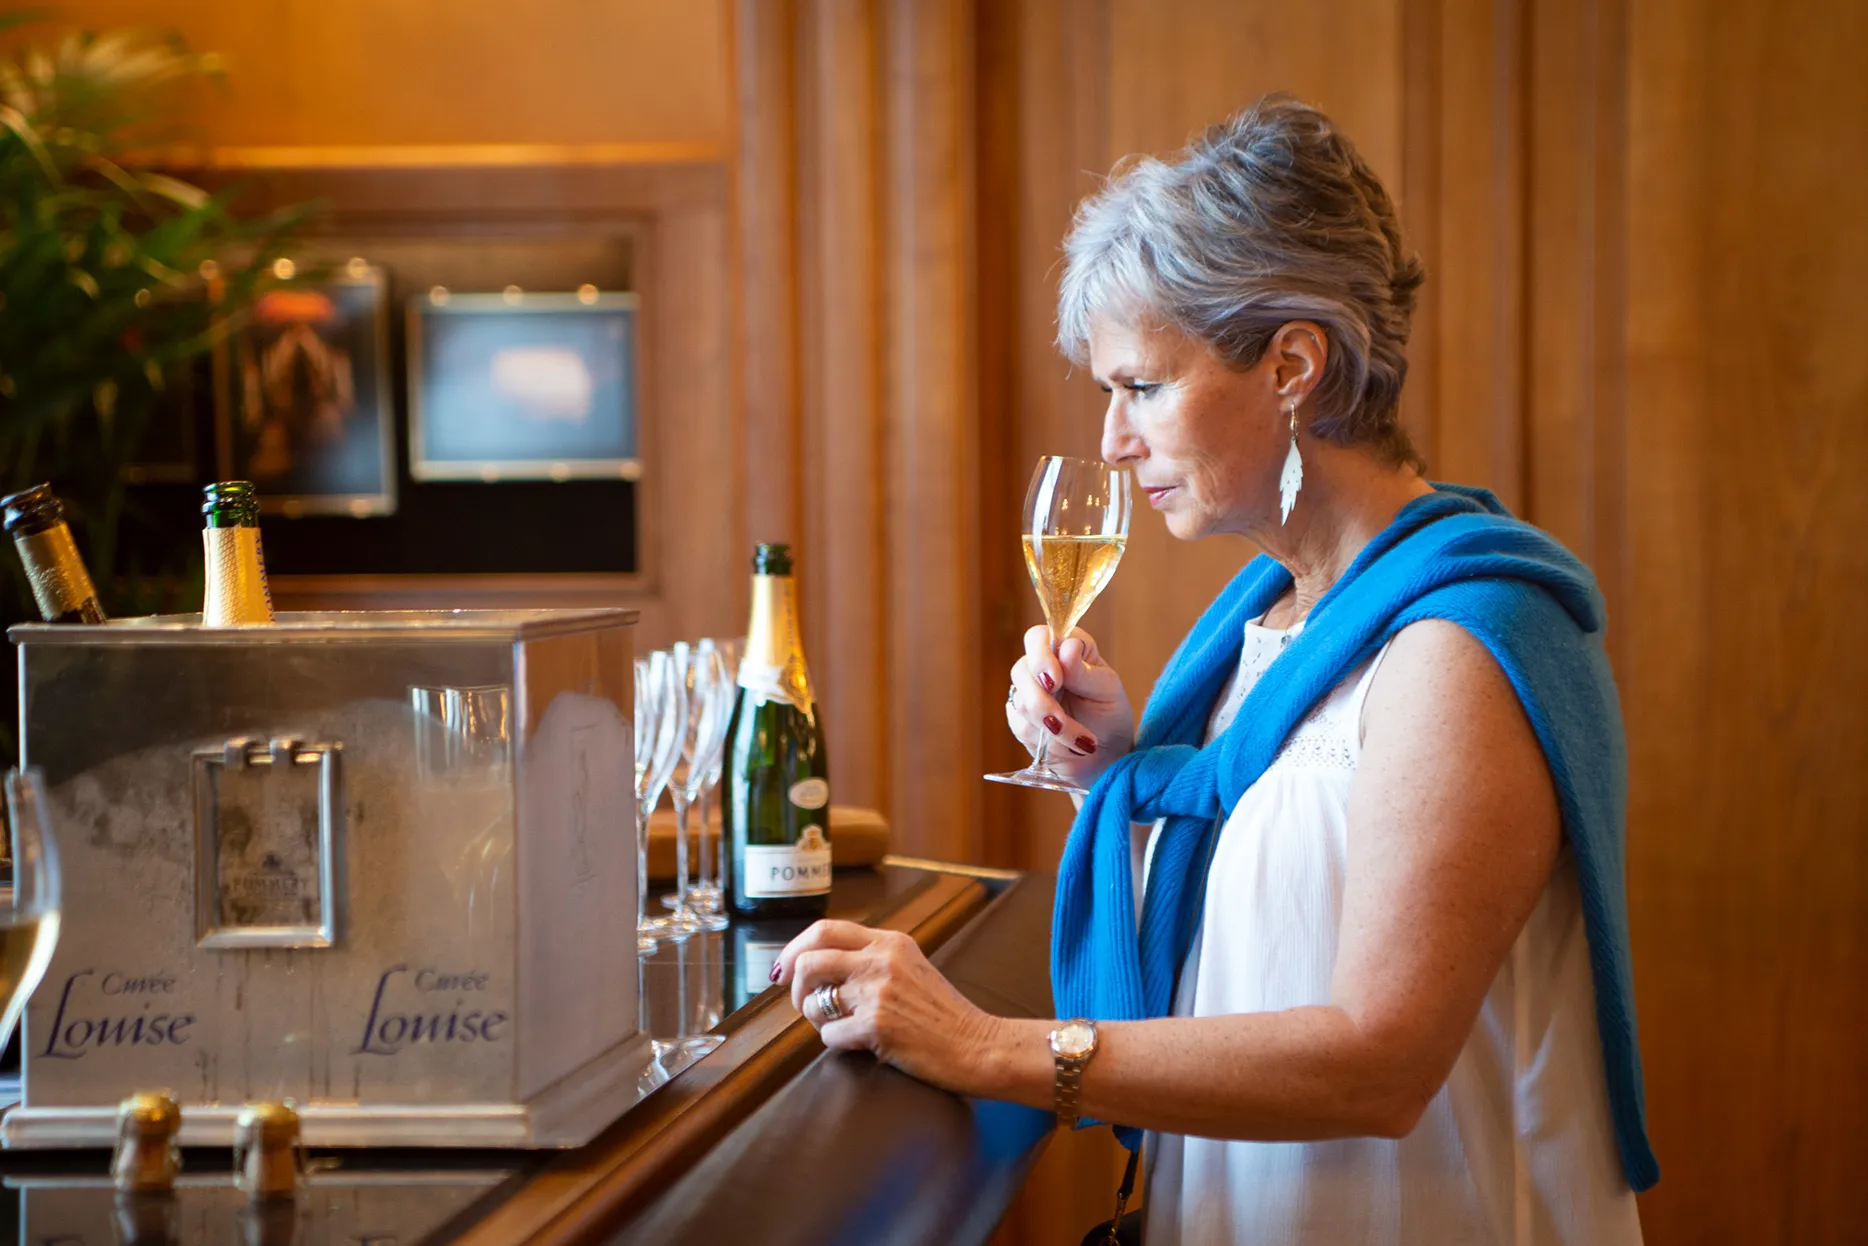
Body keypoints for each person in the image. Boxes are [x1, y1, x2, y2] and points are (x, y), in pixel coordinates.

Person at [773, 96, 1656, 1244]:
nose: (1111, 438)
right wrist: (1120, 769)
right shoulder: (1278, 618)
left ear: (1292, 362)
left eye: (1140, 385)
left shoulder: (1456, 647)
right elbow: (1278, 906)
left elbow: (1377, 1062)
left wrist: (981, 1044)